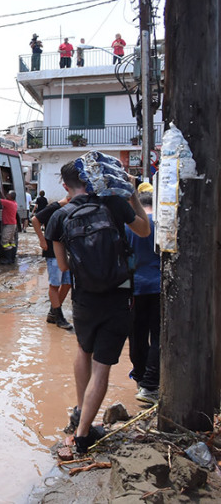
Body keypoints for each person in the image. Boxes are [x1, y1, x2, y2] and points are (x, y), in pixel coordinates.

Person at [45, 161, 150, 453]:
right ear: (90, 179)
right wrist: (132, 197)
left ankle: (81, 413)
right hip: (118, 296)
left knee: (83, 350)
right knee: (102, 368)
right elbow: (143, 231)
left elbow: (64, 266)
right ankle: (82, 435)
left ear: (66, 186)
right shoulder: (113, 203)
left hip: (84, 298)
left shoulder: (59, 215)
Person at [126, 188, 161, 405]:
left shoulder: (128, 225)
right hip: (158, 287)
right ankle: (150, 385)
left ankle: (140, 378)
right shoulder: (161, 224)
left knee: (136, 335)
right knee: (158, 336)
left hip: (134, 288)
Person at [31, 196, 74, 330]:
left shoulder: (68, 208)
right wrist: (42, 240)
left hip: (65, 251)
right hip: (52, 250)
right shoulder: (55, 207)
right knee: (55, 284)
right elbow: (35, 219)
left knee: (67, 283)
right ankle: (59, 317)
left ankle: (53, 312)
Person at [0, 186, 19, 264]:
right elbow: (4, 197)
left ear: (10, 197)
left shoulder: (8, 203)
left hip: (9, 225)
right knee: (12, 241)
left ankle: (8, 259)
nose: (6, 195)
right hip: (12, 224)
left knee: (4, 241)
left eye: (8, 194)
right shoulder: (13, 203)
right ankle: (12, 258)